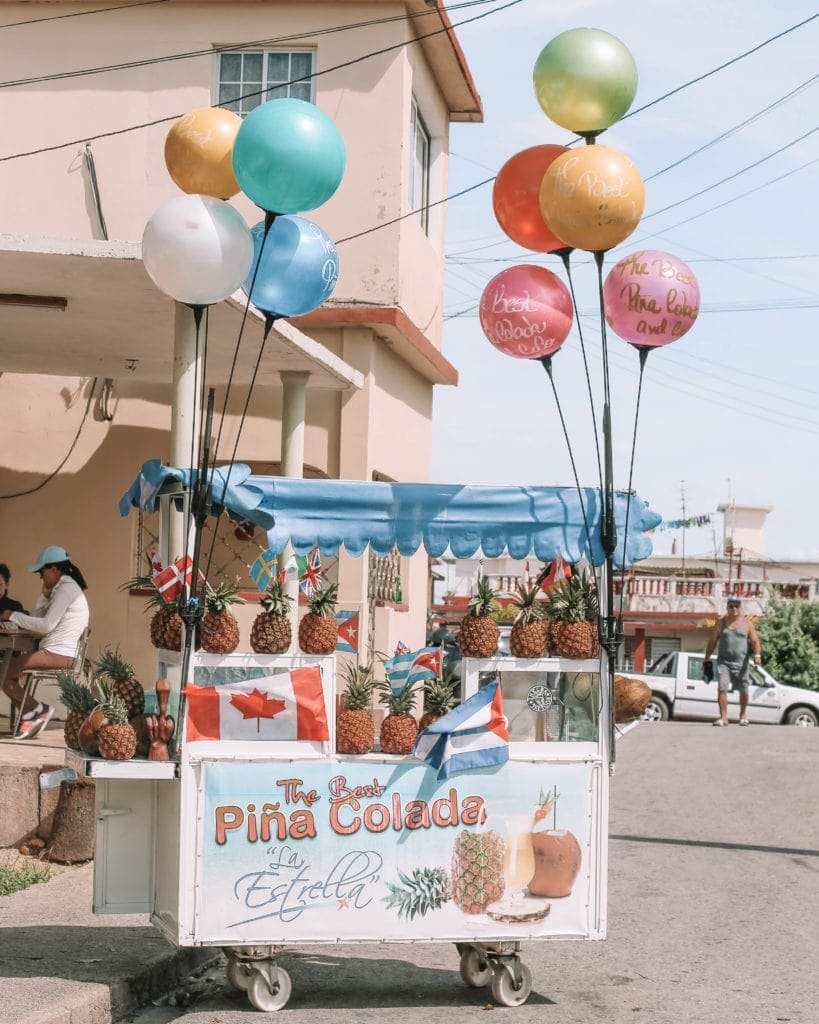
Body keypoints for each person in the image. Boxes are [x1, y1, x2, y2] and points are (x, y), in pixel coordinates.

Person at [0, 545, 90, 739]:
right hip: (58, 652)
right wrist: (44, 596)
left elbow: (46, 626)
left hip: (60, 654)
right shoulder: (62, 589)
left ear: (55, 569)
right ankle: (31, 715)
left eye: (42, 572)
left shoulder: (66, 589)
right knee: (7, 672)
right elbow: (35, 618)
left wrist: (12, 615)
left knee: (3, 672)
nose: (41, 577)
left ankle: (37, 710)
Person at [703, 595, 762, 727]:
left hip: (742, 664)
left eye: (737, 606)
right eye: (731, 606)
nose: (734, 609)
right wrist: (706, 658)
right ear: (727, 608)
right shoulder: (721, 623)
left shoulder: (747, 624)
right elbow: (712, 641)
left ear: (740, 608)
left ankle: (743, 715)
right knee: (722, 688)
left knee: (744, 690)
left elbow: (755, 641)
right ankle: (723, 718)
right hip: (724, 662)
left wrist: (757, 655)